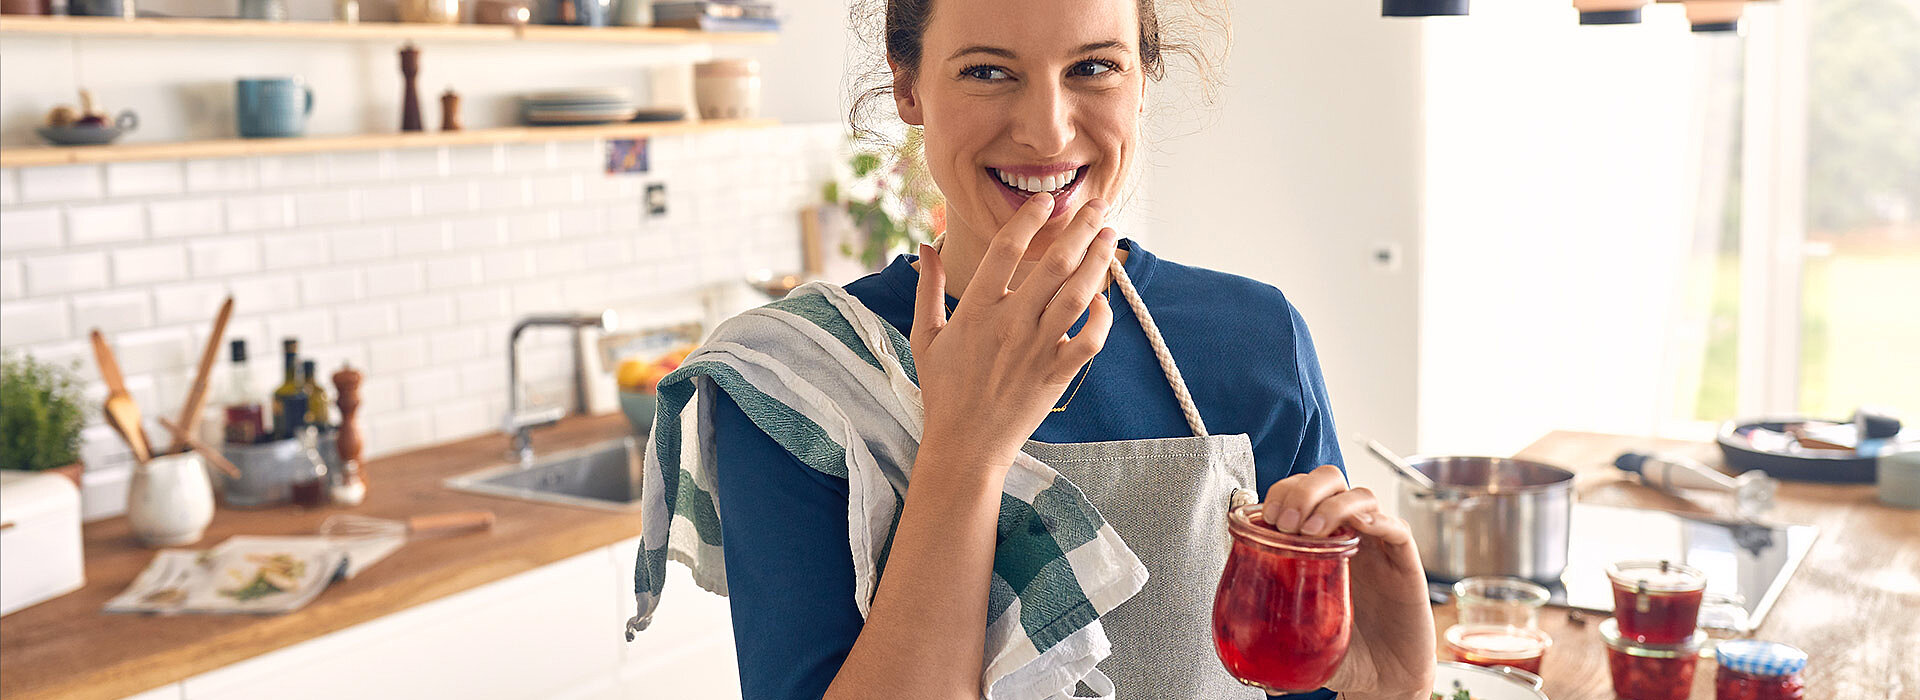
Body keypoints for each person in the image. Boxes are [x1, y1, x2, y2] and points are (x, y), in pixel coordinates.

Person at [704, 0, 1436, 698]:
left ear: (1143, 83)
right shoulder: (792, 380)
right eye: (988, 71)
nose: (1048, 134)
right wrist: (965, 448)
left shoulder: (1256, 337)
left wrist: (1395, 691)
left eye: (1093, 67)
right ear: (908, 84)